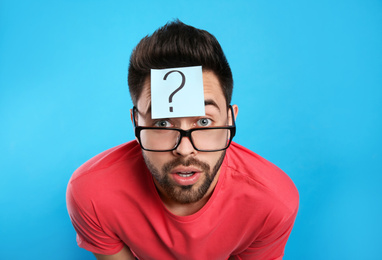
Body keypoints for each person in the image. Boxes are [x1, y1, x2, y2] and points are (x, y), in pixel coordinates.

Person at [66, 20, 299, 260]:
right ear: (136, 123)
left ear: (230, 120)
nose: (185, 150)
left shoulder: (272, 203)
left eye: (204, 122)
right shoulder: (92, 193)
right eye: (163, 123)